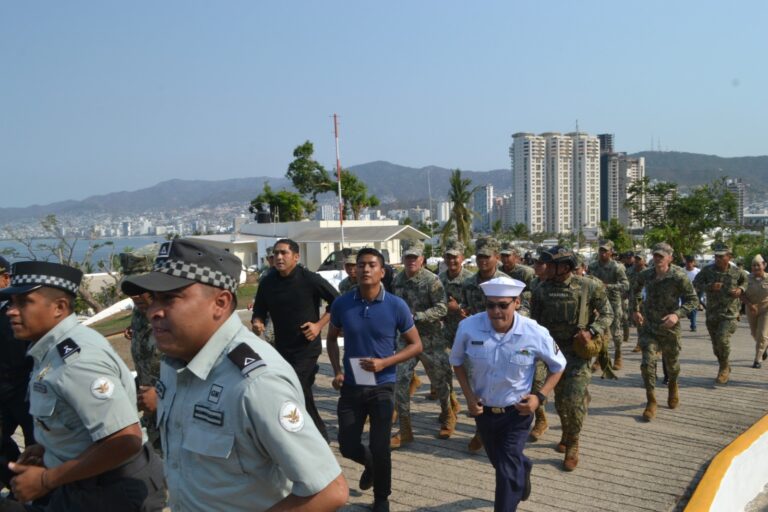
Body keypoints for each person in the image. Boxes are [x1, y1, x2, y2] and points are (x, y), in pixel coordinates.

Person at [121, 238, 348, 511]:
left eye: (170, 297)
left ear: (220, 302)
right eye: (153, 299)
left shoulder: (255, 382)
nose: (154, 311)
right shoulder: (174, 365)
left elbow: (328, 491)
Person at [0, 261, 166, 511]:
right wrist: (47, 448)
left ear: (59, 307)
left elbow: (125, 440)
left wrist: (46, 480)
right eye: (11, 303)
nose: (11, 311)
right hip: (83, 482)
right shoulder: (51, 350)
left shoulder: (78, 361)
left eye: (24, 302)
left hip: (113, 491)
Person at [451, 277, 565, 511]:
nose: (496, 311)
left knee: (505, 472)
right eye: (490, 305)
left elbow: (558, 365)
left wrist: (539, 397)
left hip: (517, 413)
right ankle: (523, 467)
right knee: (502, 463)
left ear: (517, 303)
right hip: (483, 412)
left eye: (503, 305)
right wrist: (469, 397)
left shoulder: (534, 331)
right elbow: (457, 363)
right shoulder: (469, 327)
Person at [327, 248, 422, 512]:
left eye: (371, 265)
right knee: (347, 445)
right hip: (352, 385)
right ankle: (369, 464)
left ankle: (382, 498)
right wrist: (336, 370)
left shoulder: (396, 305)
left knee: (381, 446)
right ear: (354, 270)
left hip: (383, 384)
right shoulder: (342, 303)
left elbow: (416, 345)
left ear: (382, 271)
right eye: (361, 265)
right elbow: (332, 338)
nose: (365, 269)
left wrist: (385, 362)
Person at [530, 246, 613, 471]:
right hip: (551, 353)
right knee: (560, 401)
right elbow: (533, 321)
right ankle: (566, 433)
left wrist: (592, 330)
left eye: (549, 264)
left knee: (574, 401)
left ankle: (573, 444)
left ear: (565, 267)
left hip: (578, 352)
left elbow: (608, 313)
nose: (543, 267)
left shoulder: (589, 286)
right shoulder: (539, 288)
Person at [251, 239, 339, 441]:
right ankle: (307, 436)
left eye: (284, 253)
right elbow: (259, 311)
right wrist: (257, 323)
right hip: (281, 349)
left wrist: (318, 325)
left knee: (294, 387)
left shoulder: (310, 279)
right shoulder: (267, 281)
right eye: (276, 253)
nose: (279, 257)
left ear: (296, 257)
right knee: (301, 390)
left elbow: (337, 301)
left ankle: (318, 438)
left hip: (306, 347)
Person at [390, 240, 454, 448]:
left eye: (415, 258)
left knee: (440, 381)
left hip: (430, 338)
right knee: (400, 381)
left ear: (422, 260)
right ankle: (405, 428)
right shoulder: (397, 280)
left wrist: (417, 316)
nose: (411, 261)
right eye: (407, 257)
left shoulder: (432, 280)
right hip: (406, 340)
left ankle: (447, 413)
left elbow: (442, 308)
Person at [631, 243, 698, 421]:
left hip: (669, 327)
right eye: (655, 255)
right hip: (649, 326)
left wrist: (677, 315)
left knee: (672, 365)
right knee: (647, 364)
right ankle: (651, 400)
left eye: (661, 256)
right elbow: (634, 291)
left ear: (670, 258)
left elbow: (693, 300)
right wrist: (635, 309)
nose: (657, 259)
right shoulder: (646, 274)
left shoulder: (678, 276)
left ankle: (673, 385)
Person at [460, 237, 509, 453]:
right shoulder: (469, 283)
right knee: (478, 388)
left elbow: (522, 308)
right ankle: (481, 430)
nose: (482, 261)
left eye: (486, 257)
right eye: (479, 256)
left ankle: (510, 428)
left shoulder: (507, 283)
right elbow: (465, 305)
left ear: (496, 258)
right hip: (478, 344)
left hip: (504, 342)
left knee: (504, 386)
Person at [119, 252, 163, 455]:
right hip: (149, 413)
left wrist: (161, 399)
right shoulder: (138, 313)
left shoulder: (173, 316)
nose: (135, 295)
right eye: (130, 288)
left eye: (140, 288)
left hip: (172, 410)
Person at [0, 257, 35, 496]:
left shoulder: (20, 312)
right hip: (3, 392)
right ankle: (16, 483)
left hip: (28, 391)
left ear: (5, 278)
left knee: (36, 446)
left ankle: (37, 492)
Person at [693, 241, 747, 384]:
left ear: (729, 257)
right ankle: (725, 364)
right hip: (712, 313)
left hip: (730, 313)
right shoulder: (707, 270)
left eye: (721, 256)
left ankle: (723, 368)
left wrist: (741, 290)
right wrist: (710, 286)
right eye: (716, 256)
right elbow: (696, 284)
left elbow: (745, 281)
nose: (718, 259)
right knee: (716, 346)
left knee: (723, 340)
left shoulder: (737, 271)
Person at [437, 239, 471, 412]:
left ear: (462, 258)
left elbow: (476, 305)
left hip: (467, 332)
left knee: (470, 371)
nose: (451, 261)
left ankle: (474, 403)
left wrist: (458, 308)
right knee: (442, 370)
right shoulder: (439, 279)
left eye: (455, 257)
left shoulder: (470, 280)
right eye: (448, 257)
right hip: (445, 330)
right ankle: (450, 405)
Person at [588, 240, 629, 371]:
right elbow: (589, 282)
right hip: (598, 302)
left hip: (613, 302)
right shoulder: (593, 266)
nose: (603, 253)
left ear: (611, 252)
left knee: (615, 332)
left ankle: (618, 355)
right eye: (601, 250)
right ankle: (600, 359)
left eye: (605, 251)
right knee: (599, 331)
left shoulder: (617, 267)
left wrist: (608, 286)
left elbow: (625, 285)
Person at [742, 254, 768, 369]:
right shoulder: (746, 279)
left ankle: (757, 360)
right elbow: (741, 294)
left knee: (762, 335)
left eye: (758, 265)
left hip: (765, 309)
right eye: (753, 265)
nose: (756, 267)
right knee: (754, 333)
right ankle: (764, 347)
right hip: (751, 308)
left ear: (764, 265)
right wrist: (749, 305)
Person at [683, 255, 701, 332]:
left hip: (696, 292)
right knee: (685, 307)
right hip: (683, 293)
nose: (689, 264)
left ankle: (693, 326)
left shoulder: (698, 272)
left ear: (693, 263)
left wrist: (698, 289)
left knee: (693, 308)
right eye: (687, 262)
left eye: (691, 262)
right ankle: (689, 315)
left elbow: (702, 282)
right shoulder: (682, 271)